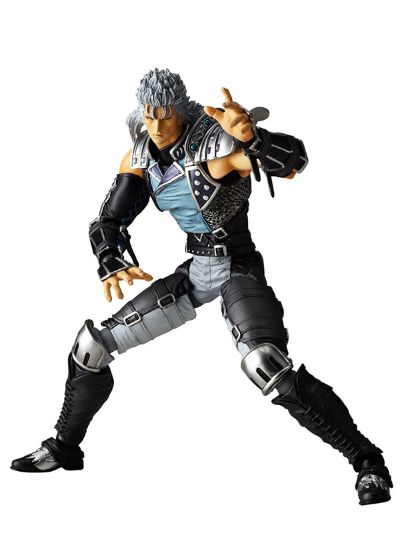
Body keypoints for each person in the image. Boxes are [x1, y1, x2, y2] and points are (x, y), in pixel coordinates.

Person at [11, 68, 392, 506]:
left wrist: (254, 139)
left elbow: (293, 164)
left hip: (237, 266)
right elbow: (107, 221)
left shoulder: (214, 147)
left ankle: (367, 462)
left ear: (180, 110)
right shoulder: (139, 156)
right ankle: (63, 448)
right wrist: (110, 259)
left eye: (165, 114)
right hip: (196, 271)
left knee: (266, 364)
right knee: (89, 349)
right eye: (149, 114)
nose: (156, 125)